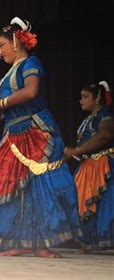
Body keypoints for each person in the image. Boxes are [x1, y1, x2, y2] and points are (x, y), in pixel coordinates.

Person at [0, 17, 81, 258]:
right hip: (13, 135)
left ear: (16, 41)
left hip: (35, 131)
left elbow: (31, 92)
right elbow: (3, 113)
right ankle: (18, 241)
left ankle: (41, 244)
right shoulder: (5, 78)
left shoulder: (31, 63)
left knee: (39, 188)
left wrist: (1, 103)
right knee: (14, 191)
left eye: (0, 45)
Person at [64, 81, 114, 252]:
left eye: (85, 97)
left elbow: (105, 135)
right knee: (86, 202)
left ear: (98, 98)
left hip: (103, 165)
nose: (81, 100)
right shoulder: (88, 120)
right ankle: (90, 241)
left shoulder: (106, 113)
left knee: (106, 203)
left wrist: (77, 150)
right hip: (88, 165)